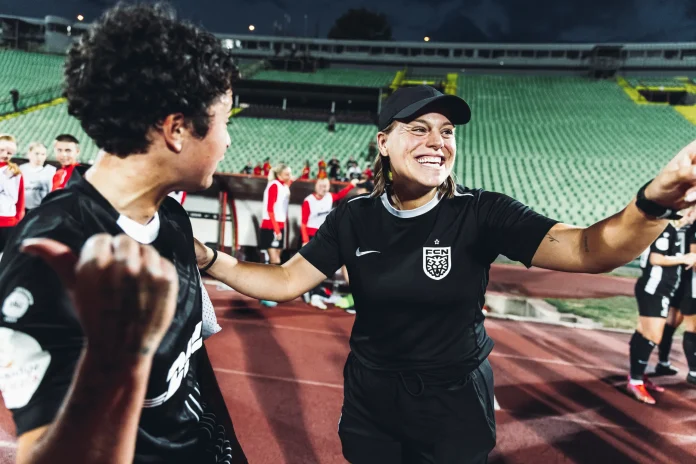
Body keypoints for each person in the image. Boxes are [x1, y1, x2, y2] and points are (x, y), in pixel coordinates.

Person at [194, 84, 696, 463]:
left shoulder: (482, 213)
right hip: (372, 397)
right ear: (383, 142)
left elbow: (589, 250)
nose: (438, 141)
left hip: (454, 401)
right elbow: (285, 281)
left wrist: (652, 204)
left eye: (447, 131)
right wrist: (209, 259)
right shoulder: (354, 217)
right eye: (419, 128)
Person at [0, 4, 246, 463]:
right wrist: (115, 361)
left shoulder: (172, 218)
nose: (228, 140)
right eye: (225, 120)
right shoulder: (50, 252)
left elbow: (190, 366)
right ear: (176, 129)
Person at [629, 211, 696, 404]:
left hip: (659, 289)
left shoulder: (671, 229)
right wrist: (684, 258)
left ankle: (638, 376)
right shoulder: (666, 228)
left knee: (643, 332)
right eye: (689, 210)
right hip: (654, 289)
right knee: (652, 336)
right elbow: (656, 259)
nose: (691, 214)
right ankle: (635, 381)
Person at [301, 178, 357, 309]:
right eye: (321, 185)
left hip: (324, 235)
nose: (323, 188)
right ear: (315, 186)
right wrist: (305, 240)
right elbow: (303, 222)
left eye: (326, 186)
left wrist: (351, 185)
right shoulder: (309, 200)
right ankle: (312, 294)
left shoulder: (330, 197)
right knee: (313, 267)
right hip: (310, 235)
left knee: (321, 267)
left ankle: (314, 294)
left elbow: (340, 195)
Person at [657, 207, 696, 386]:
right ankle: (694, 372)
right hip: (691, 284)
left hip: (677, 280)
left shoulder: (682, 227)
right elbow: (694, 260)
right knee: (692, 328)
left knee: (671, 323)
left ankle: (663, 362)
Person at [258, 163, 292, 307]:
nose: (290, 176)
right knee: (274, 259)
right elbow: (270, 209)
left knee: (276, 258)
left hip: (279, 225)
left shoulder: (283, 186)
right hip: (271, 225)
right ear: (279, 175)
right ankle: (268, 292)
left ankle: (265, 291)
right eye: (287, 174)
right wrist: (277, 230)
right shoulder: (274, 185)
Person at [0, 134, 25, 254]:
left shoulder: (15, 172)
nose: (5, 154)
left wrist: (18, 220)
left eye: (9, 152)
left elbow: (20, 198)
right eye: (1, 150)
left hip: (8, 221)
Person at [20, 142, 56, 214]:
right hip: (23, 210)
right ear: (29, 154)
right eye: (36, 153)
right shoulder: (21, 170)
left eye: (43, 154)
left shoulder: (51, 171)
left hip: (41, 210)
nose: (39, 157)